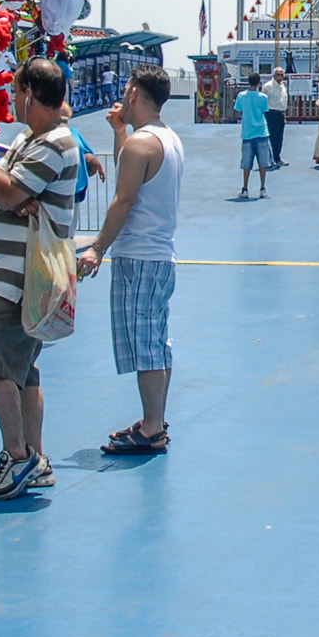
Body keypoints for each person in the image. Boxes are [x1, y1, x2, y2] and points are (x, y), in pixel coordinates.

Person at [0, 56, 81, 500]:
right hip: (13, 272)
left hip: (19, 276)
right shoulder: (32, 138)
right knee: (23, 370)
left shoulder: (53, 144)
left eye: (15, 89)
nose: (10, 97)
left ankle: (18, 455)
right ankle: (34, 457)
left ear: (29, 93)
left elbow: (3, 189)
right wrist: (8, 190)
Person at [79, 64, 184, 455]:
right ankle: (153, 419)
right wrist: (119, 131)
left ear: (136, 94)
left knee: (146, 345)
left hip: (139, 255)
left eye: (126, 89)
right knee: (155, 340)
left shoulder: (143, 144)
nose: (122, 95)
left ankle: (153, 426)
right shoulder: (163, 138)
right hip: (158, 254)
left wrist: (97, 247)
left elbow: (124, 199)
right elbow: (132, 168)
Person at [235, 73, 273, 200]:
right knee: (263, 163)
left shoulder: (241, 96)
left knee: (246, 163)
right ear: (258, 83)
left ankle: (245, 188)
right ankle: (262, 188)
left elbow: (239, 110)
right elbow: (264, 111)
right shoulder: (263, 97)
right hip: (261, 131)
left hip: (247, 132)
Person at [264, 76, 289, 167]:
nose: (280, 77)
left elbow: (283, 101)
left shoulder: (283, 86)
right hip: (271, 114)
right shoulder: (268, 86)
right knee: (272, 138)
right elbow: (263, 100)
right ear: (274, 75)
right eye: (278, 74)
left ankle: (277, 158)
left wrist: (284, 115)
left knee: (279, 138)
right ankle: (269, 159)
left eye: (281, 74)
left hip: (280, 114)